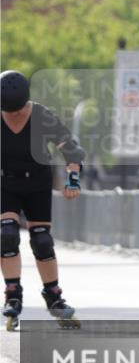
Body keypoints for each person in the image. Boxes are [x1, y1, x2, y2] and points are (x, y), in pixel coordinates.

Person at [1, 70, 86, 330]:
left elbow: (73, 152)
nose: (13, 116)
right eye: (8, 112)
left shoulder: (42, 116)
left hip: (37, 183)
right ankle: (13, 294)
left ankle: (54, 297)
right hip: (5, 184)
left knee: (42, 240)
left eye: (18, 111)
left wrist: (72, 180)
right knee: (7, 235)